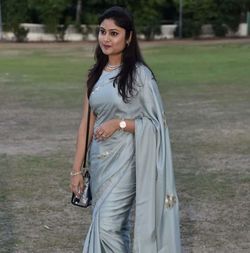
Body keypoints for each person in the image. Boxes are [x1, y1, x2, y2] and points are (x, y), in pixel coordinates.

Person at [70, 6, 181, 253]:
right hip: (100, 163)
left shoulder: (140, 76)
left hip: (127, 162)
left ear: (128, 37)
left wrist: (119, 124)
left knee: (107, 226)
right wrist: (76, 170)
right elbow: (85, 124)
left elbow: (156, 125)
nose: (106, 39)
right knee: (113, 227)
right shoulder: (95, 75)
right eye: (102, 32)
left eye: (114, 33)